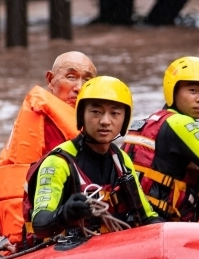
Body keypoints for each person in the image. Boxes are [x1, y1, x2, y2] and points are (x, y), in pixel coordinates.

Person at [0, 51, 97, 250]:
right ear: (50, 80)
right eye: (70, 77)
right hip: (39, 227)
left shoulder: (90, 124)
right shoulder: (44, 121)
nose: (79, 87)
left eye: (87, 80)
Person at [24, 76, 161, 240]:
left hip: (114, 249)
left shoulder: (121, 160)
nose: (105, 121)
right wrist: (65, 213)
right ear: (81, 115)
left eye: (115, 113)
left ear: (125, 120)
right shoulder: (58, 162)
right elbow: (40, 224)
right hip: (67, 253)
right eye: (96, 112)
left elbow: (147, 216)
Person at [121, 56, 199, 221]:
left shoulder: (150, 121)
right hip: (162, 223)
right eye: (193, 91)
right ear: (173, 91)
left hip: (133, 218)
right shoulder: (180, 123)